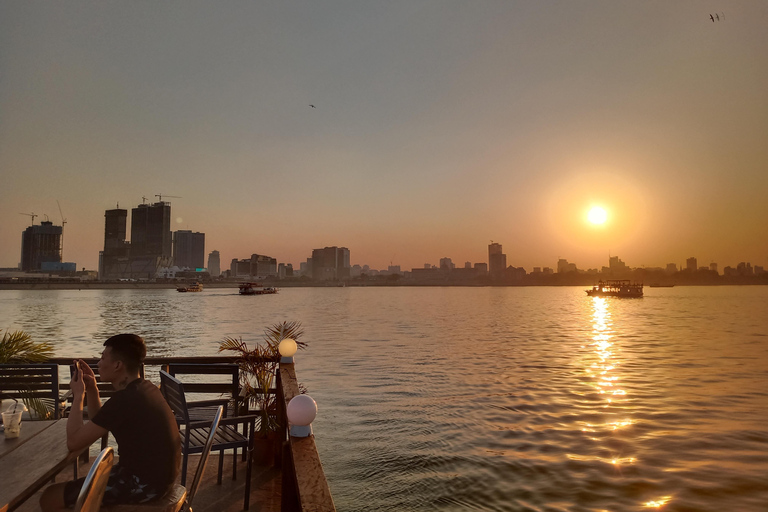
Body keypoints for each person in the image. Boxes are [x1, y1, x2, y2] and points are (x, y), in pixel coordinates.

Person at [40, 334, 181, 511]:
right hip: (157, 479)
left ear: (117, 365)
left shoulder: (125, 399)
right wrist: (92, 389)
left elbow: (74, 442)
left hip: (144, 485)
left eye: (103, 357)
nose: (98, 363)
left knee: (50, 496)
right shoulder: (144, 388)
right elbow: (99, 420)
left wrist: (78, 396)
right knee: (68, 493)